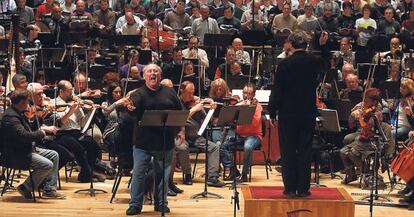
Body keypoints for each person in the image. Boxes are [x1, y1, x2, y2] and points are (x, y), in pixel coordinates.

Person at [268, 30, 324, 197]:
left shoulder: (285, 64)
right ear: (305, 44)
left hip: (288, 113)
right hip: (307, 112)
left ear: (291, 44)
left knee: (288, 150)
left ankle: (290, 188)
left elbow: (277, 90)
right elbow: (325, 66)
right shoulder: (314, 62)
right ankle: (303, 188)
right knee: (305, 150)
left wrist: (272, 111)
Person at [126, 64, 184, 215]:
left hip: (164, 141)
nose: (153, 74)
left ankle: (161, 203)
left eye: (156, 71)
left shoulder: (170, 93)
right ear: (144, 75)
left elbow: (180, 113)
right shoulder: (138, 94)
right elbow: (130, 113)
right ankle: (135, 205)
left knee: (162, 175)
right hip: (142, 142)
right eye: (150, 71)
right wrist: (129, 109)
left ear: (160, 75)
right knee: (138, 173)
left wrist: (181, 130)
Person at [1, 89, 65, 199]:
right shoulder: (10, 117)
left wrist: (40, 122)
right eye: (27, 101)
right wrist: (42, 133)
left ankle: (49, 189)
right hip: (16, 154)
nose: (28, 104)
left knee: (54, 155)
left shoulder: (18, 113)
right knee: (47, 164)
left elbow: (29, 130)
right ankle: (25, 187)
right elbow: (24, 135)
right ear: (21, 102)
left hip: (25, 149)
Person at [176, 81, 225, 187]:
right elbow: (180, 119)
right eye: (189, 93)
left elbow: (206, 101)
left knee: (214, 147)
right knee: (182, 148)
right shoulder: (176, 102)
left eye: (193, 92)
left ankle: (212, 177)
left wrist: (210, 102)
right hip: (181, 135)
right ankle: (187, 174)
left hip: (195, 137)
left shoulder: (195, 100)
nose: (191, 95)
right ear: (182, 91)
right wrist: (194, 109)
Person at [220, 83, 263, 183]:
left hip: (253, 136)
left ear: (253, 95)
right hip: (240, 136)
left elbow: (256, 123)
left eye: (248, 93)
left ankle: (244, 174)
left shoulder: (257, 106)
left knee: (247, 147)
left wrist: (248, 110)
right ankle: (233, 170)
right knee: (222, 146)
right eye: (244, 92)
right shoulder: (239, 104)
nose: (245, 95)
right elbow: (230, 119)